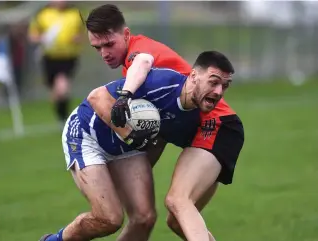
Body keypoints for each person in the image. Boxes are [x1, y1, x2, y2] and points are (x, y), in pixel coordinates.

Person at [85, 4, 244, 241]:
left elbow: (143, 61)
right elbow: (160, 132)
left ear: (126, 35)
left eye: (109, 44)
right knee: (178, 221)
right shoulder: (148, 83)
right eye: (97, 48)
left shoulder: (138, 55)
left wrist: (124, 96)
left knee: (177, 200)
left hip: (217, 124)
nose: (104, 53)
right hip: (211, 129)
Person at [39, 51, 231, 241]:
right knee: (109, 218)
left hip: (125, 149)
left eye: (225, 86)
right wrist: (129, 135)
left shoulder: (195, 117)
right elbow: (96, 97)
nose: (219, 92)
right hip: (86, 135)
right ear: (194, 76)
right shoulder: (162, 83)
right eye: (213, 82)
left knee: (144, 219)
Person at [28, 0, 85, 127]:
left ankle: (65, 119)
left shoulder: (75, 14)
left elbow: (82, 34)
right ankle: (62, 117)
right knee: (56, 93)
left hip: (68, 57)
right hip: (49, 58)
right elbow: (32, 35)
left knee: (62, 87)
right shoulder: (43, 14)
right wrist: (42, 38)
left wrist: (77, 39)